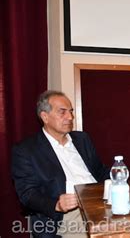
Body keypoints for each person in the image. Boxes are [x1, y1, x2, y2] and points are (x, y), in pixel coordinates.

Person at [11, 90, 109, 237]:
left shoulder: (82, 139)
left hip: (100, 203)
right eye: (62, 112)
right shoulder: (26, 150)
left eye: (70, 111)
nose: (70, 117)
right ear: (45, 116)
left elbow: (99, 171)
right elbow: (27, 193)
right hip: (67, 215)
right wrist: (56, 204)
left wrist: (116, 175)